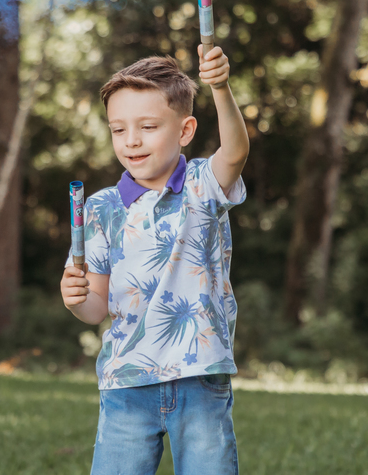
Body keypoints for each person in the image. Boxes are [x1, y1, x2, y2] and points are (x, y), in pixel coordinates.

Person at [61, 46, 250, 475]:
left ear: (185, 131)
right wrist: (75, 298)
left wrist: (219, 86)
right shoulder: (100, 208)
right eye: (118, 129)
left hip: (200, 378)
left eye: (147, 126)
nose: (131, 140)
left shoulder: (203, 185)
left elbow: (235, 152)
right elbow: (95, 308)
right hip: (126, 382)